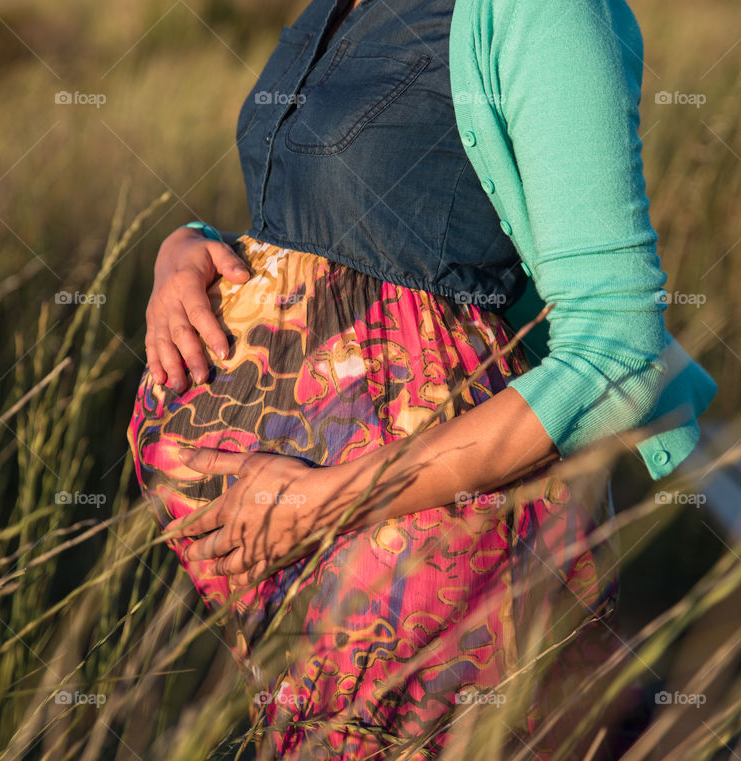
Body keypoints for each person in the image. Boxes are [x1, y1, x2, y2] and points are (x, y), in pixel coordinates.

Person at [127, 0, 718, 757]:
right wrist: (190, 247)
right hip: (301, 568)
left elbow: (618, 349)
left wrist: (323, 500)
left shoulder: (546, 14)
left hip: (416, 540)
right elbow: (340, 227)